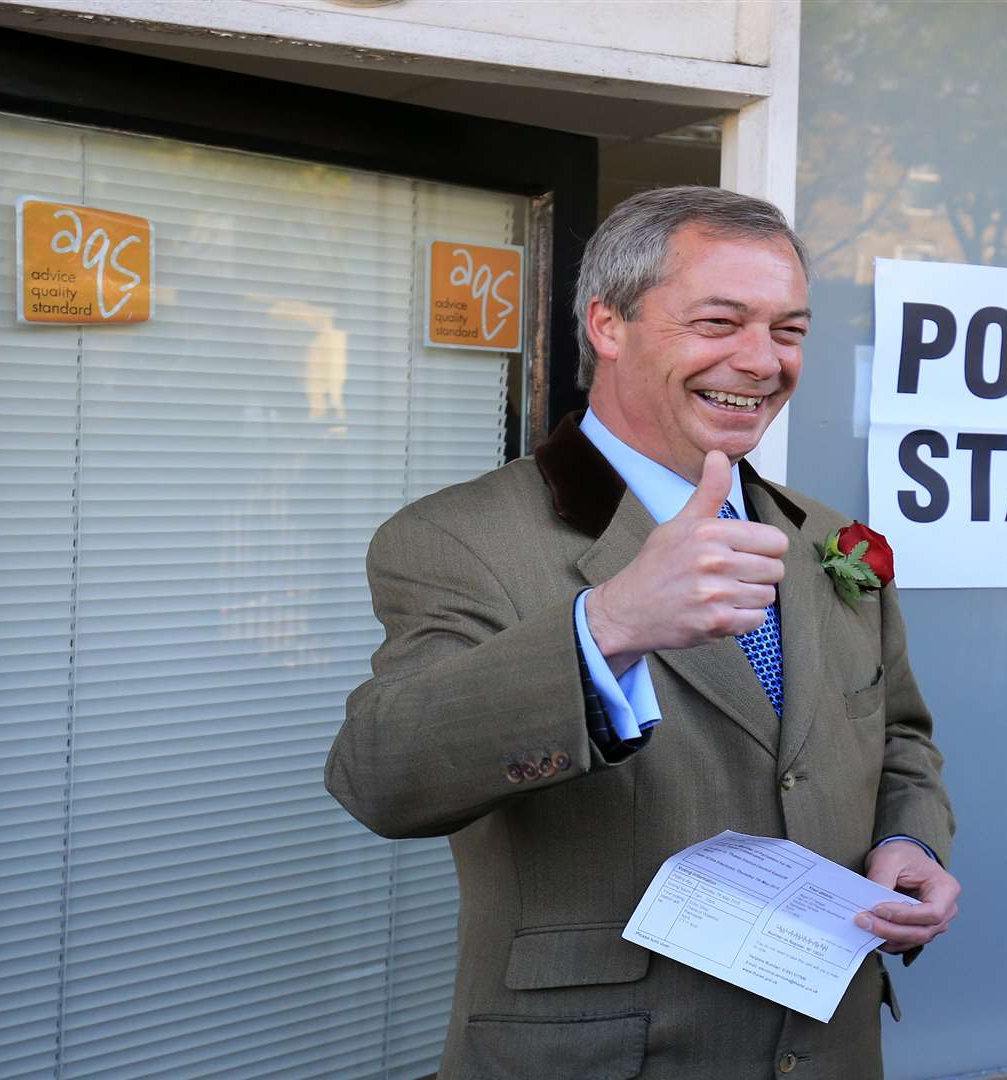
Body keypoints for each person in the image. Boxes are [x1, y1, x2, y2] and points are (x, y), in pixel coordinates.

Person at [326, 186, 958, 1079]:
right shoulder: (455, 539)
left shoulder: (826, 538)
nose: (761, 360)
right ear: (607, 326)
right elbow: (379, 777)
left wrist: (911, 841)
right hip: (610, 1057)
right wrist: (610, 625)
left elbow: (896, 735)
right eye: (718, 322)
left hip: (830, 1045)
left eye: (788, 330)